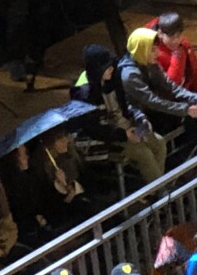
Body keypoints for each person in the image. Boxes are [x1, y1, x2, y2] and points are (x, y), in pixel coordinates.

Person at [72, 44, 168, 184]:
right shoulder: (85, 93)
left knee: (159, 142)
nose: (111, 69)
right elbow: (93, 129)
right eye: (106, 67)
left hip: (127, 128)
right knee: (143, 153)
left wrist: (140, 118)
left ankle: (156, 190)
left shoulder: (113, 80)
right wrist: (124, 135)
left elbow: (128, 105)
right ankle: (161, 192)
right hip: (107, 138)